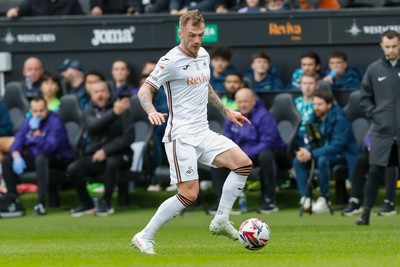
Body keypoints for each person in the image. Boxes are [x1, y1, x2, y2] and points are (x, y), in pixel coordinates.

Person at [131, 10, 253, 255]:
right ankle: (144, 236)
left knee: (243, 164)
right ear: (180, 33)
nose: (197, 40)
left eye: (200, 35)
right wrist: (151, 110)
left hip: (203, 132)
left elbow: (204, 85)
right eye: (191, 35)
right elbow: (144, 91)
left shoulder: (204, 55)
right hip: (180, 137)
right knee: (189, 194)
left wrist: (226, 111)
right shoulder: (170, 61)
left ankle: (220, 220)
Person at [211, 88, 289, 214]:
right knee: (217, 158)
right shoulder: (232, 117)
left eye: (245, 101)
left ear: (253, 101)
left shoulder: (264, 116)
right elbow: (227, 140)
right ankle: (222, 203)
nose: (242, 104)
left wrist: (245, 155)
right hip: (242, 155)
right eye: (240, 102)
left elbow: (268, 141)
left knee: (266, 155)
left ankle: (269, 201)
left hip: (266, 155)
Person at [68, 81, 134, 217]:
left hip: (120, 155)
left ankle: (106, 202)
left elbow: (128, 137)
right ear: (91, 95)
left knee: (112, 162)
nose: (100, 95)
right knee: (73, 169)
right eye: (96, 92)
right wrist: (114, 113)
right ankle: (86, 203)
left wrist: (106, 151)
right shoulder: (88, 112)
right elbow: (93, 127)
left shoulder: (122, 109)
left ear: (109, 93)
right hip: (95, 155)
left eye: (102, 91)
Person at [356, 30, 400, 226]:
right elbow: (364, 98)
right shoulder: (374, 69)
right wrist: (376, 116)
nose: (391, 50)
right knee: (374, 171)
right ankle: (365, 214)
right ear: (382, 46)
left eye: (394, 46)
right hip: (382, 130)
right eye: (387, 46)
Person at [2, 97, 73, 215]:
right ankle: (14, 201)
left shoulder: (55, 122)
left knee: (41, 158)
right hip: (37, 158)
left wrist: (37, 133)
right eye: (35, 111)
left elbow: (49, 148)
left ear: (47, 109)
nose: (38, 114)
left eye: (41, 110)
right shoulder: (28, 121)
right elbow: (17, 143)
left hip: (58, 160)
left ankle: (41, 203)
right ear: (31, 110)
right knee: (7, 160)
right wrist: (16, 156)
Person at [293, 90, 360, 214]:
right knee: (298, 160)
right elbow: (310, 139)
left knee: (323, 160)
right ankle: (306, 198)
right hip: (322, 153)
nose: (316, 107)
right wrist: (305, 151)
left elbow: (338, 145)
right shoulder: (314, 119)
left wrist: (312, 154)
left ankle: (325, 199)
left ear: (329, 105)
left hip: (344, 155)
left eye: (319, 104)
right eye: (314, 104)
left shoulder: (340, 119)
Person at [342, 131, 398, 217]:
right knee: (361, 160)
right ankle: (354, 200)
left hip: (393, 150)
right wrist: (369, 145)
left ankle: (388, 202)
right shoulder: (378, 121)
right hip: (378, 152)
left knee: (391, 160)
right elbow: (369, 136)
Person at [293, 71, 318, 148]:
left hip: (313, 137)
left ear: (316, 85)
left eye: (310, 83)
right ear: (300, 85)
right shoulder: (294, 103)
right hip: (295, 136)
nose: (307, 86)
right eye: (304, 83)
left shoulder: (320, 103)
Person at [6, 0, 84, 19]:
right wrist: (13, 12)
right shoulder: (34, 1)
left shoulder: (71, 2)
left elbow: (81, 20)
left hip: (65, 41)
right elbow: (16, 11)